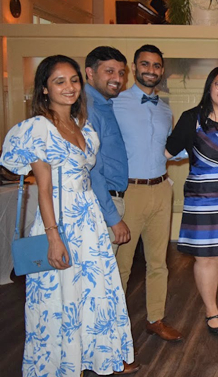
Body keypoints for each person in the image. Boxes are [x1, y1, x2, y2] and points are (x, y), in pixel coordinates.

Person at [0, 55, 134, 376]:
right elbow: (43, 190)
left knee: (92, 297)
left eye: (74, 80)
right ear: (44, 89)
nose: (69, 87)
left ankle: (87, 360)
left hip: (90, 224)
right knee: (57, 304)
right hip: (59, 223)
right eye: (59, 81)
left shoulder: (83, 127)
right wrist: (53, 236)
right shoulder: (38, 129)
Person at [165, 66, 218, 334]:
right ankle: (211, 310)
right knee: (206, 258)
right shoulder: (191, 118)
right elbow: (168, 152)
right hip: (202, 201)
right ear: (209, 87)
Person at [113, 44, 183, 342]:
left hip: (161, 189)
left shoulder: (166, 109)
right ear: (134, 67)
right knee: (121, 266)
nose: (151, 70)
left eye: (156, 65)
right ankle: (113, 331)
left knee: (159, 262)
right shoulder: (115, 103)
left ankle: (155, 319)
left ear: (161, 70)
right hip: (129, 192)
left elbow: (167, 150)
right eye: (145, 64)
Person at [85, 46, 132, 257]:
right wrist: (113, 218)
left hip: (111, 200)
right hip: (102, 205)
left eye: (121, 73)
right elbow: (91, 169)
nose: (117, 78)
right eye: (109, 71)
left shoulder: (106, 105)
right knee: (101, 277)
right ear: (90, 72)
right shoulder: (89, 108)